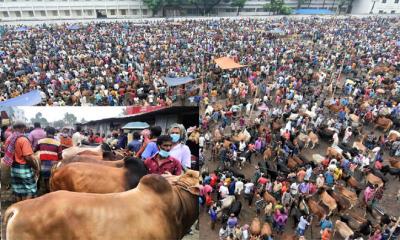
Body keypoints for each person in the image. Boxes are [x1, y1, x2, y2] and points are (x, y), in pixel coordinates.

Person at [4, 121, 38, 201]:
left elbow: (6, 151)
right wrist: (35, 167)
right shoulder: (23, 140)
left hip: (13, 168)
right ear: (22, 128)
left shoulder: (9, 138)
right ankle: (25, 209)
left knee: (18, 191)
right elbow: (27, 157)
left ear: (14, 128)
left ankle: (19, 207)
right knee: (30, 190)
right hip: (24, 168)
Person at [35, 126, 62, 192]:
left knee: (44, 180)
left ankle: (43, 190)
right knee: (50, 181)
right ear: (54, 133)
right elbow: (60, 156)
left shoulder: (40, 141)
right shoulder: (58, 143)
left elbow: (35, 150)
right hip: (53, 166)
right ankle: (49, 192)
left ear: (46, 133)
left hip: (42, 165)